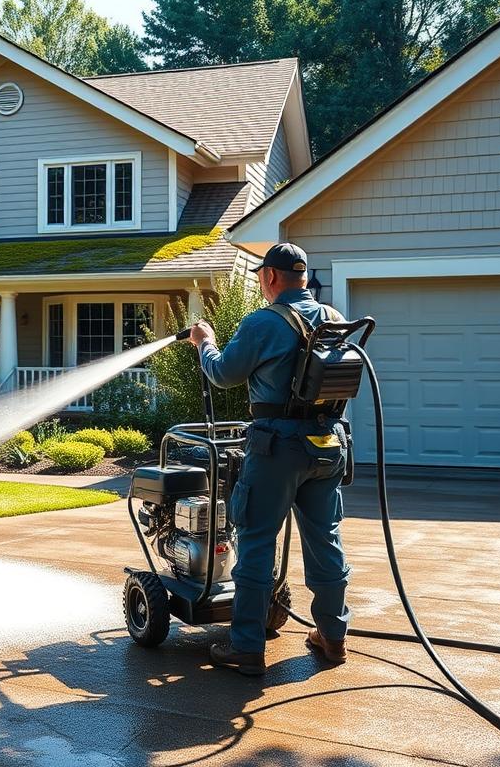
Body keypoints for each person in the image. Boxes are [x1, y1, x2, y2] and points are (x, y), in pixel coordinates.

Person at [189, 242, 351, 676]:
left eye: (262, 275)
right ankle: (333, 638)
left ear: (271, 277)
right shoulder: (334, 319)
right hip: (328, 445)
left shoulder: (264, 321)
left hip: (277, 446)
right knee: (325, 539)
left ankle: (246, 647)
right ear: (303, 275)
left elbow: (223, 374)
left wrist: (206, 343)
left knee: (258, 540)